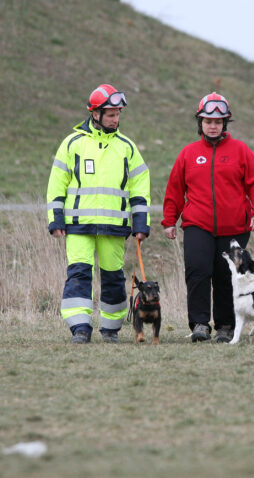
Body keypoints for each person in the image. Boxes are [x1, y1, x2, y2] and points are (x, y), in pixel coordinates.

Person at [47, 84, 151, 344]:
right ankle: (80, 328)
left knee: (113, 277)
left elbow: (140, 189)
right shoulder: (72, 144)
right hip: (77, 225)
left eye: (118, 115)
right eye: (111, 115)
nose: (116, 120)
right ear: (96, 114)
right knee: (79, 274)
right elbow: (56, 185)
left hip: (114, 226)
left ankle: (111, 329)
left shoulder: (127, 148)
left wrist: (141, 223)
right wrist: (55, 220)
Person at [162, 92, 254, 343]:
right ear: (200, 122)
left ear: (225, 124)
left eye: (218, 121)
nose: (212, 125)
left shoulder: (241, 151)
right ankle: (199, 324)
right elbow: (175, 189)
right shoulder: (188, 153)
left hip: (234, 227)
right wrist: (169, 220)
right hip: (197, 224)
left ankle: (225, 326)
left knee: (226, 276)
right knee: (197, 271)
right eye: (208, 121)